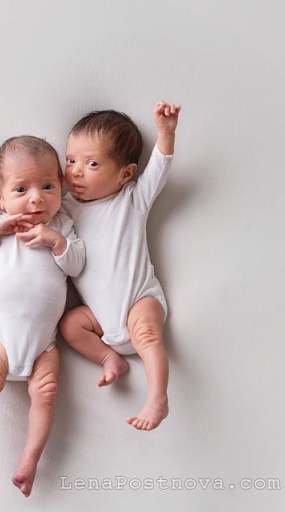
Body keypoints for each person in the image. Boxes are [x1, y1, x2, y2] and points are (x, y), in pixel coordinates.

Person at [0, 135, 85, 497]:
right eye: (21, 189)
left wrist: (55, 241)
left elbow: (78, 265)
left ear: (61, 185)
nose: (36, 198)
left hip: (43, 346)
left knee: (46, 395)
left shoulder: (61, 224)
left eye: (47, 186)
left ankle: (29, 461)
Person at [58, 101, 181, 431]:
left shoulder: (132, 200)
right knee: (70, 326)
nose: (75, 171)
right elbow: (34, 202)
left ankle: (157, 397)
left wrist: (166, 132)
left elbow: (158, 169)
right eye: (70, 160)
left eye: (92, 163)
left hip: (139, 299)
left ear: (125, 173)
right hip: (97, 317)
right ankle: (108, 357)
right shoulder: (64, 207)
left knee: (147, 335)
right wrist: (0, 203)